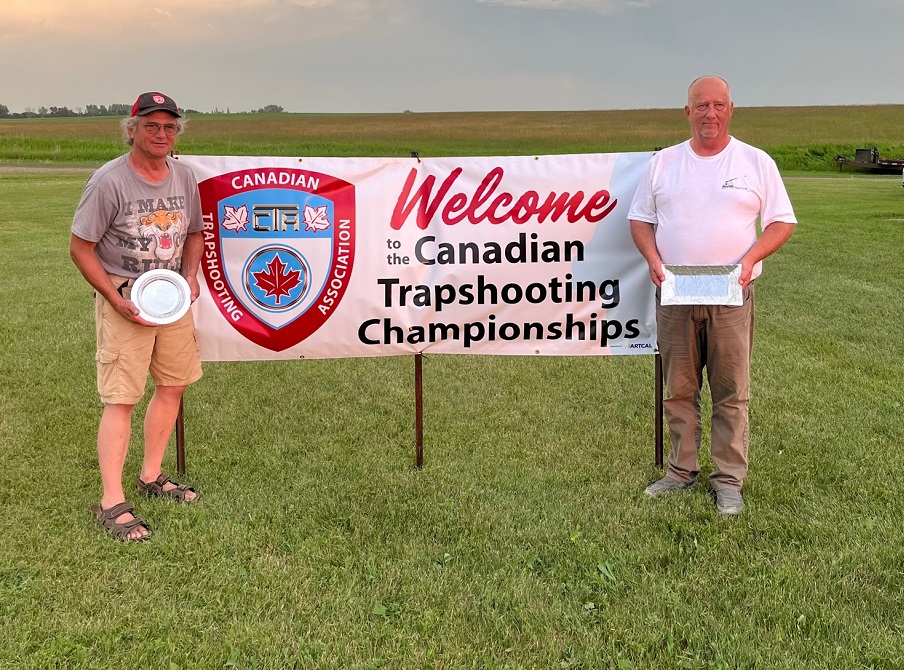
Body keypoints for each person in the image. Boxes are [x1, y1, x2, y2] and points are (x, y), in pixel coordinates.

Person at [627, 75, 797, 515]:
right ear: (688, 112)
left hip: (730, 295)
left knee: (731, 392)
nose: (710, 113)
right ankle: (680, 471)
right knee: (679, 390)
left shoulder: (755, 162)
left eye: (719, 105)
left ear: (730, 109)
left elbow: (782, 222)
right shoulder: (664, 163)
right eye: (701, 105)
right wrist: (652, 258)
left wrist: (750, 259)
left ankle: (728, 481)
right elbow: (640, 220)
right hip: (676, 294)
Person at [71, 92, 204, 540]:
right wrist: (115, 299)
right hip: (125, 293)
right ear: (132, 130)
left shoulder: (183, 176)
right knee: (122, 396)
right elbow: (80, 248)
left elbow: (194, 232)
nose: (161, 134)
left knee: (173, 384)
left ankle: (151, 476)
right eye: (151, 125)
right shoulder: (108, 181)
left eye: (169, 127)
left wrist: (190, 276)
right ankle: (112, 502)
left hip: (171, 294)